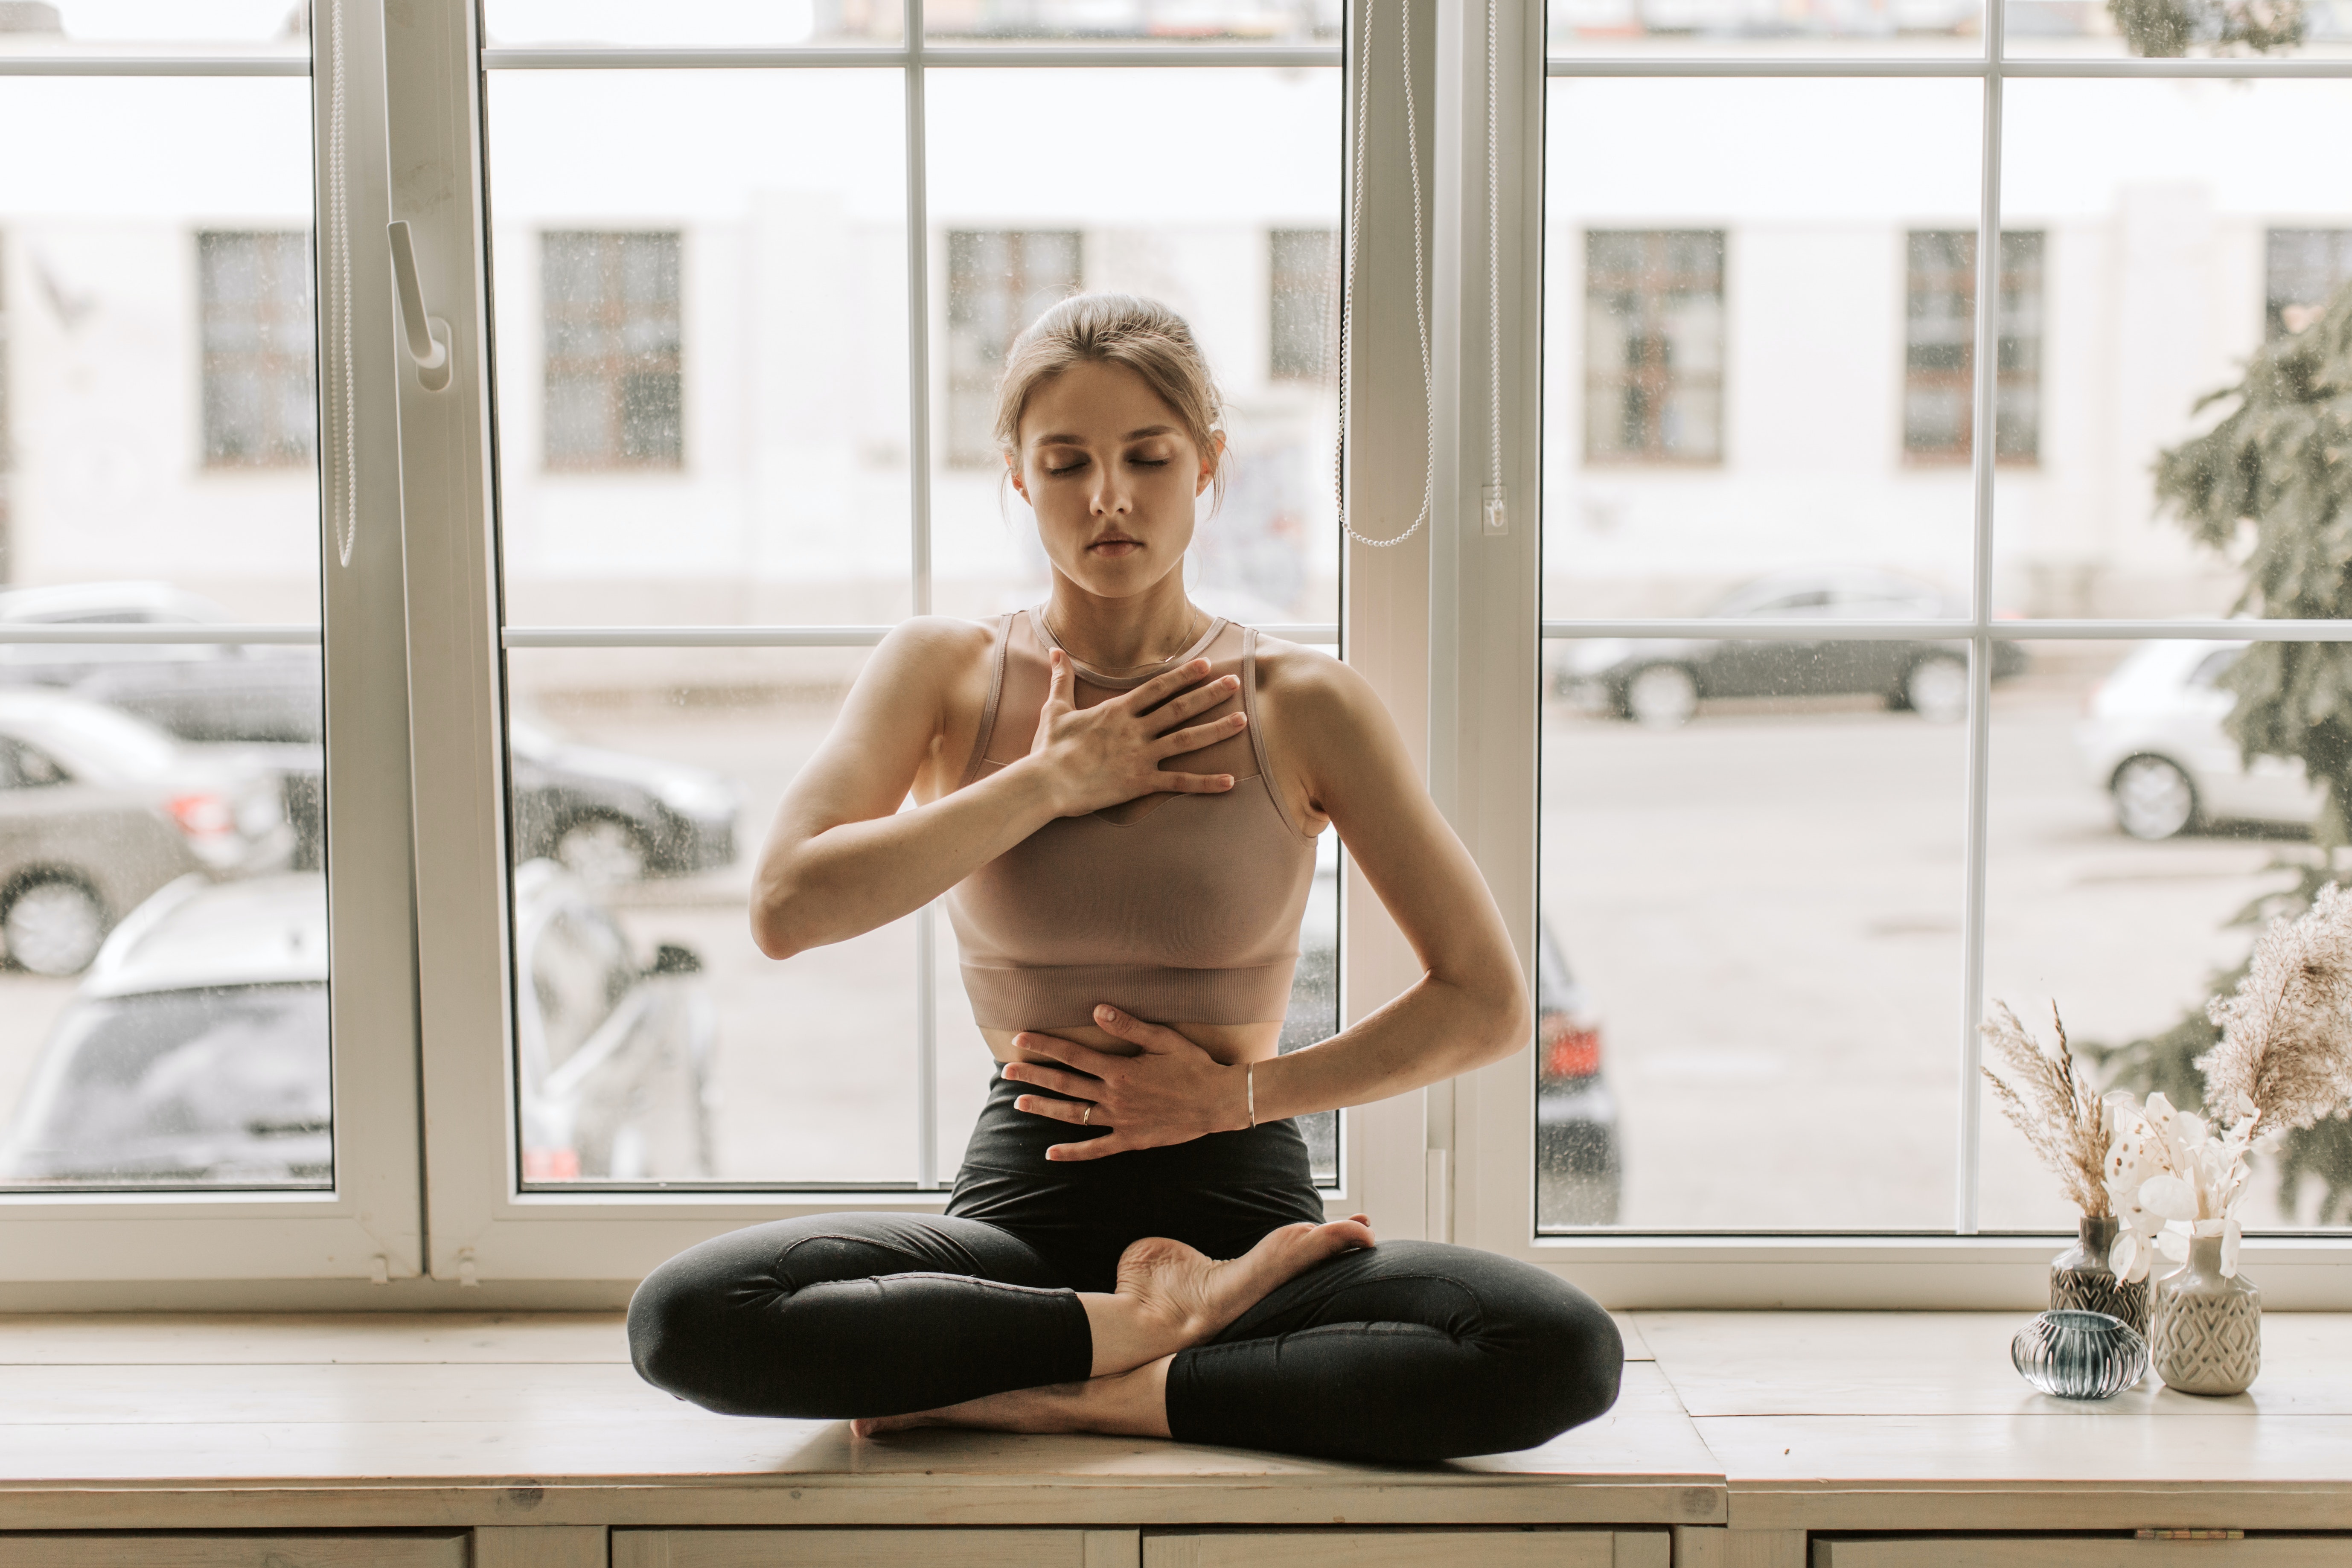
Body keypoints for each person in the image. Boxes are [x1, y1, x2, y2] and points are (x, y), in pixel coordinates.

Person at [626, 294, 1622, 1463]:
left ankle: (1084, 1387)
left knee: (1559, 1347)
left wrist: (1230, 1099)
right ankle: (1136, 1335)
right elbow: (787, 906)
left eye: (1149, 457)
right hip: (1021, 1218)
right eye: (1067, 463)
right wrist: (1049, 781)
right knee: (687, 1319)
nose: (1109, 496)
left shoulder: (1301, 702)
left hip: (1245, 1223)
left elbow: (1487, 1000)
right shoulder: (945, 672)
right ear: (1015, 476)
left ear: (1208, 464)